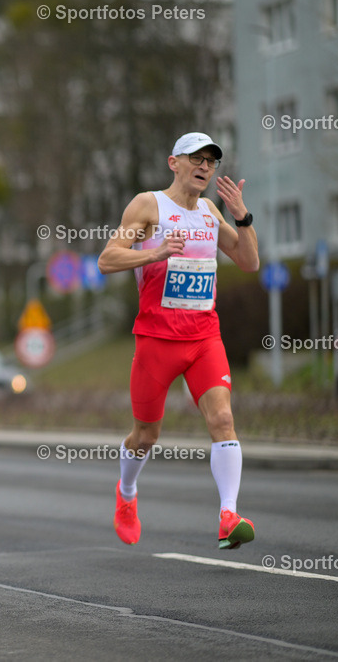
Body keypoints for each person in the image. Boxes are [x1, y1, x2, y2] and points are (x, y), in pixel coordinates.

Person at [98, 132, 260, 550]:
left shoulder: (209, 211)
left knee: (223, 420)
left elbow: (248, 261)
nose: (205, 167)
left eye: (211, 161)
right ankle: (127, 494)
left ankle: (229, 514)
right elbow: (107, 259)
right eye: (196, 159)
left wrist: (242, 218)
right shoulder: (148, 205)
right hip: (156, 340)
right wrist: (153, 254)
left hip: (204, 337)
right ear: (174, 162)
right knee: (146, 436)